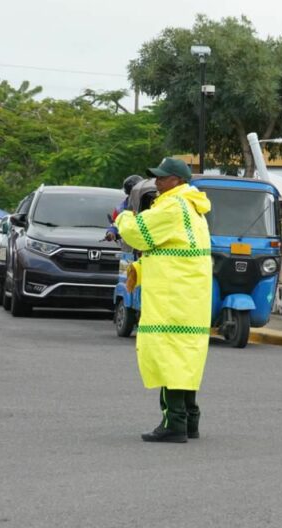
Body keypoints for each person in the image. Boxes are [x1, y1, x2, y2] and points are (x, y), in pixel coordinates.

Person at [115, 157, 213, 443]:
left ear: (178, 180)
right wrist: (141, 269)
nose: (157, 182)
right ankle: (189, 420)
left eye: (162, 177)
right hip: (188, 297)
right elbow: (172, 252)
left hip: (172, 298)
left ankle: (174, 424)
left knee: (169, 359)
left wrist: (122, 216)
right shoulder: (192, 207)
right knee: (184, 360)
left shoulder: (173, 206)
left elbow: (139, 234)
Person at [105, 174, 144, 242]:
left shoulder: (151, 204)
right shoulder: (119, 210)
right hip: (128, 245)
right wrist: (111, 233)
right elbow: (115, 225)